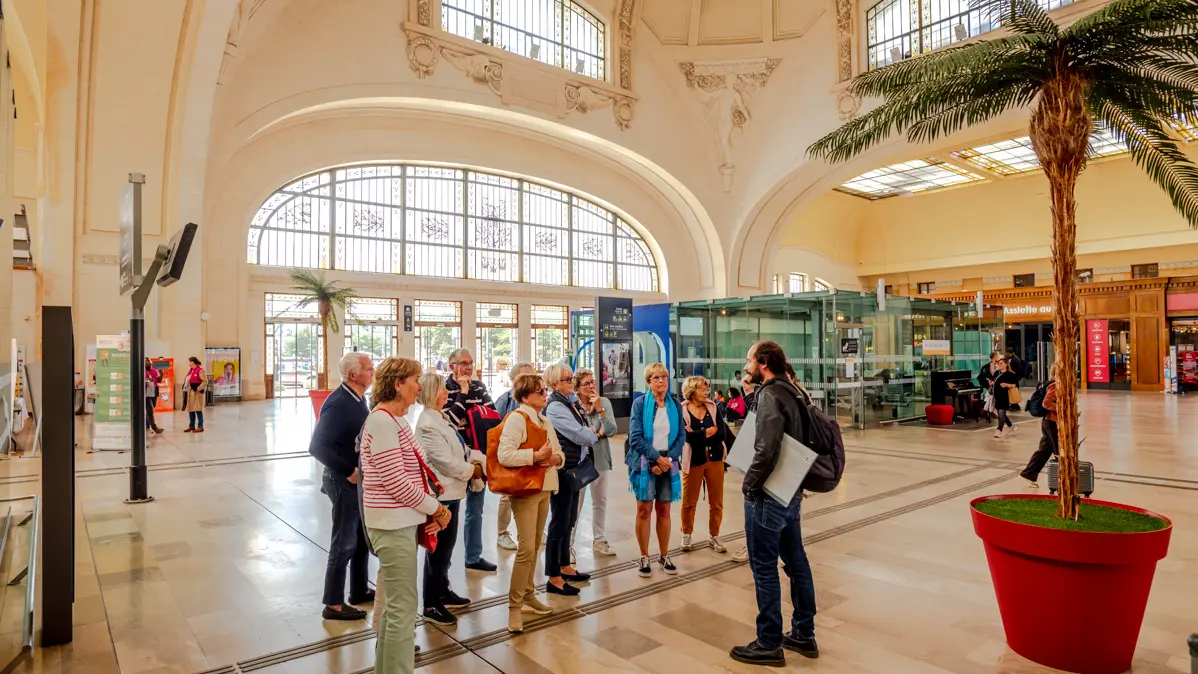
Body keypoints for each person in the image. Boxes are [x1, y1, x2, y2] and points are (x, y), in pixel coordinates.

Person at [730, 341, 819, 667]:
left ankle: (768, 642)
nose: (746, 365)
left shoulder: (770, 394)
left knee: (764, 567)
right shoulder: (794, 390)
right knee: (796, 561)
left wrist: (749, 485)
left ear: (763, 362)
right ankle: (804, 633)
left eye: (749, 359)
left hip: (769, 493)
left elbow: (766, 449)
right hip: (790, 490)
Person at [360, 358, 451, 674]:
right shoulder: (382, 422)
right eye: (415, 379)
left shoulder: (397, 421)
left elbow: (417, 474)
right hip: (392, 524)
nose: (420, 386)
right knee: (402, 609)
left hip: (404, 521)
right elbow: (396, 483)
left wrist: (429, 507)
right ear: (398, 384)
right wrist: (436, 509)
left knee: (395, 608)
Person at [496, 373, 565, 634]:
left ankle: (528, 594)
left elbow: (558, 452)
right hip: (525, 490)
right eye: (540, 392)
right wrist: (535, 456)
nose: (545, 395)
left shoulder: (544, 420)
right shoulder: (517, 418)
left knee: (535, 544)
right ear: (525, 397)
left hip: (544, 487)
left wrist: (556, 459)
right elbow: (505, 455)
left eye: (545, 390)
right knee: (526, 548)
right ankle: (514, 606)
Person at [308, 353, 375, 621]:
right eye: (368, 368)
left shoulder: (358, 399)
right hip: (343, 480)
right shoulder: (339, 403)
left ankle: (359, 589)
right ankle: (333, 603)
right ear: (352, 374)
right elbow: (317, 446)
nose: (372, 372)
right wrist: (349, 471)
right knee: (344, 542)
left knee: (360, 539)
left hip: (356, 480)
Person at [415, 373, 484, 627]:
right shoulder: (427, 424)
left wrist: (476, 459)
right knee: (438, 551)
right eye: (442, 389)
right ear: (431, 393)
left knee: (447, 548)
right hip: (441, 495)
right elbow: (445, 461)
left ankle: (443, 590)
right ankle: (431, 603)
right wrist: (473, 470)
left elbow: (461, 450)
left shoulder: (441, 417)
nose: (446, 393)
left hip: (453, 492)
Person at [442, 348, 498, 572]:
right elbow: (449, 423)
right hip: (453, 459)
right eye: (463, 363)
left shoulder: (479, 387)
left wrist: (467, 415)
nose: (468, 367)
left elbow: (491, 416)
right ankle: (441, 564)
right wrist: (464, 396)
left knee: (475, 510)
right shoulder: (443, 389)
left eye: (470, 363)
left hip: (477, 457)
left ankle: (473, 557)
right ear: (451, 366)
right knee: (448, 511)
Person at [626, 363, 684, 578]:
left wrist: (667, 460)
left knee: (664, 510)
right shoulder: (640, 404)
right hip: (644, 462)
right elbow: (635, 437)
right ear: (648, 382)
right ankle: (644, 556)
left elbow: (681, 436)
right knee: (644, 510)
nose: (661, 381)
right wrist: (657, 459)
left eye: (664, 377)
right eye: (656, 377)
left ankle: (664, 555)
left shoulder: (674, 404)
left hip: (667, 462)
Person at [542, 364, 594, 595]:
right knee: (560, 522)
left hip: (573, 467)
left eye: (571, 378)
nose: (571, 382)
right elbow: (581, 433)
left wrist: (589, 432)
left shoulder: (569, 402)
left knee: (569, 519)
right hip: (563, 470)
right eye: (566, 379)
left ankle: (565, 566)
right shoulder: (555, 406)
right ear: (554, 384)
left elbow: (585, 426)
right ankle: (553, 576)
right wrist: (592, 434)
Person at [679, 376, 729, 554]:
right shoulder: (682, 410)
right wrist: (708, 431)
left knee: (716, 501)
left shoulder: (713, 407)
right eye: (702, 389)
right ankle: (686, 533)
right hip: (693, 460)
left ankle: (714, 535)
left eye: (707, 389)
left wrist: (697, 434)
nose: (706, 392)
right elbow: (686, 437)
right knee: (689, 501)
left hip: (715, 459)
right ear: (692, 391)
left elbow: (721, 434)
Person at [571, 368, 618, 557]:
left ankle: (599, 539)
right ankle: (568, 544)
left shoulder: (603, 402)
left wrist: (600, 409)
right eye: (586, 384)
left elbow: (611, 430)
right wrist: (597, 434)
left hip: (600, 458)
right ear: (576, 388)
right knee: (576, 503)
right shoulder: (573, 405)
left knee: (600, 501)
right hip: (580, 461)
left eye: (593, 382)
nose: (591, 386)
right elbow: (577, 434)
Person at [493, 362, 535, 552]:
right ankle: (502, 533)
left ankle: (528, 531)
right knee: (507, 496)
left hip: (532, 455)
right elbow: (496, 429)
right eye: (525, 377)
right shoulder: (505, 400)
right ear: (513, 380)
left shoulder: (536, 400)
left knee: (532, 494)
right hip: (511, 455)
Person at [1021, 360, 1062, 486]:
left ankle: (1028, 474)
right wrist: (1062, 409)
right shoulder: (1055, 385)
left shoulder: (1057, 384)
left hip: (1049, 422)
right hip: (1052, 423)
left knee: (1044, 450)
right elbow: (1046, 403)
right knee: (1059, 452)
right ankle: (1064, 481)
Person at [992, 358, 1021, 439]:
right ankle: (1011, 426)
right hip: (997, 397)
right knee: (1001, 414)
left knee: (1001, 414)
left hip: (1005, 397)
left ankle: (999, 429)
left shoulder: (1010, 374)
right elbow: (994, 381)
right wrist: (992, 382)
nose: (999, 365)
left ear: (1006, 364)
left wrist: (1007, 385)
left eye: (1001, 363)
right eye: (999, 363)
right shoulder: (997, 373)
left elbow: (1015, 385)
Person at [182, 356, 206, 433]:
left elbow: (205, 381)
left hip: (197, 393)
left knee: (198, 409)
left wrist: (198, 388)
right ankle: (191, 425)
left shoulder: (200, 370)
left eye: (189, 361)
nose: (188, 363)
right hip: (190, 393)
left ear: (193, 362)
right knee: (190, 409)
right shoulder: (190, 371)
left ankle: (200, 426)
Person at [144, 359, 163, 434]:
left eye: (148, 361)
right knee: (149, 409)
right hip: (145, 392)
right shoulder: (142, 371)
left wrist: (161, 373)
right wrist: (147, 380)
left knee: (152, 406)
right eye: (146, 361)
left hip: (154, 390)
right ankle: (154, 427)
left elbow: (159, 380)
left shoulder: (154, 371)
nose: (148, 362)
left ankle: (147, 425)